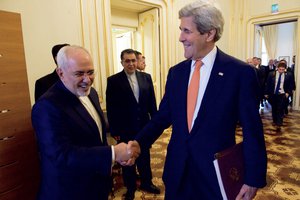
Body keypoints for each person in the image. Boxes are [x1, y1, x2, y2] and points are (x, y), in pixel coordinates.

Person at [129, 1, 267, 199]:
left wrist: (252, 178)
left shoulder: (239, 73)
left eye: (186, 31)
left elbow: (252, 129)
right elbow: (162, 117)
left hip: (215, 177)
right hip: (177, 172)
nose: (180, 38)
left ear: (209, 34)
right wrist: (138, 143)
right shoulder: (176, 73)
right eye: (181, 30)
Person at [31, 45, 137, 200]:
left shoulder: (91, 93)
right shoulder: (46, 106)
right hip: (69, 191)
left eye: (91, 72)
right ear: (61, 73)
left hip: (96, 185)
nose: (87, 80)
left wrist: (116, 157)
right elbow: (61, 156)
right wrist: (113, 153)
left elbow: (95, 138)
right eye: (79, 73)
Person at [106, 48, 160, 200]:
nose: (131, 64)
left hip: (144, 127)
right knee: (127, 159)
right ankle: (130, 188)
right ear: (122, 62)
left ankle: (146, 183)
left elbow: (152, 103)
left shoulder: (146, 77)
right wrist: (115, 130)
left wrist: (154, 124)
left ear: (137, 61)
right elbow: (111, 108)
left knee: (144, 156)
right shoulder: (113, 81)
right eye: (127, 61)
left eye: (133, 60)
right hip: (125, 127)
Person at [265, 61, 294, 125]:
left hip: (282, 94)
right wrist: (266, 93)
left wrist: (288, 93)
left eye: (283, 69)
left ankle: (279, 122)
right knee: (274, 108)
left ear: (285, 69)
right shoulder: (271, 74)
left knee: (281, 108)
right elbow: (268, 84)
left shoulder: (289, 75)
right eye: (280, 69)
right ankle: (275, 120)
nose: (281, 71)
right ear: (277, 68)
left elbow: (290, 85)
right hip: (273, 93)